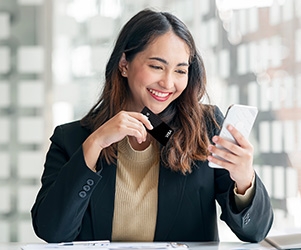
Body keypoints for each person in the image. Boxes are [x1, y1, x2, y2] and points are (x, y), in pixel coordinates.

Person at [31, 8, 273, 243]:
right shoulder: (71, 139)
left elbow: (254, 232)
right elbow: (52, 232)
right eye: (156, 67)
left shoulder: (205, 129)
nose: (168, 83)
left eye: (180, 70)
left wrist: (244, 180)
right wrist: (94, 144)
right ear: (124, 63)